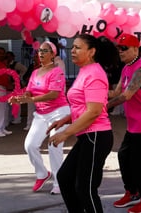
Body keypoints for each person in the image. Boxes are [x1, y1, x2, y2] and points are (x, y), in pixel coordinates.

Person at [46, 34, 119, 213]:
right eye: (73, 47)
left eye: (78, 47)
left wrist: (66, 132)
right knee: (64, 177)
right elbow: (83, 105)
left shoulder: (94, 73)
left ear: (91, 52)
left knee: (85, 189)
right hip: (88, 136)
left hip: (96, 135)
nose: (72, 50)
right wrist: (65, 119)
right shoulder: (85, 70)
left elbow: (94, 111)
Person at [107, 33, 141, 213]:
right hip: (134, 125)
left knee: (140, 165)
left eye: (124, 48)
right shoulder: (126, 68)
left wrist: (104, 108)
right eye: (119, 48)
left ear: (135, 49)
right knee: (124, 158)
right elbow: (116, 92)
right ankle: (132, 193)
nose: (120, 52)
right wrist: (92, 92)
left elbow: (127, 95)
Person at [8, 41, 70, 194]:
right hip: (41, 114)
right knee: (30, 145)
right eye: (40, 50)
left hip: (59, 112)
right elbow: (29, 92)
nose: (41, 53)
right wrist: (20, 98)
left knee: (53, 145)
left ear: (52, 54)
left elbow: (54, 94)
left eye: (45, 50)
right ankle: (42, 174)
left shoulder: (57, 72)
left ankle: (59, 182)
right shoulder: (35, 72)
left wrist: (32, 100)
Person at [5, 51, 28, 125]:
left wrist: (18, 77)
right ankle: (11, 118)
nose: (8, 58)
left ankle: (17, 119)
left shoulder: (16, 64)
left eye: (9, 56)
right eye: (7, 56)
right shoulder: (6, 64)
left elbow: (24, 69)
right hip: (9, 86)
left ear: (12, 57)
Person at [22, 52, 39, 131]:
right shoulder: (31, 66)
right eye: (35, 56)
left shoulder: (45, 66)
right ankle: (29, 124)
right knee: (30, 108)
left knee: (40, 108)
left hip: (40, 90)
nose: (35, 58)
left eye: (37, 56)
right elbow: (25, 76)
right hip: (31, 89)